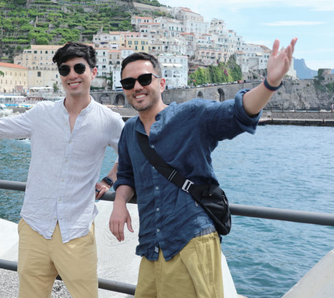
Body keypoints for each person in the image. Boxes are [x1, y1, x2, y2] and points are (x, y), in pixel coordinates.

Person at [0, 42, 125, 298]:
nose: (72, 75)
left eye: (79, 67)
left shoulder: (109, 120)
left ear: (94, 72)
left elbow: (131, 156)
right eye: (65, 70)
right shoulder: (42, 113)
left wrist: (110, 180)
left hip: (76, 230)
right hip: (34, 226)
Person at [109, 38, 297, 297]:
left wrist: (270, 83)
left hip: (191, 239)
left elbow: (238, 113)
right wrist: (119, 203)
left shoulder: (192, 115)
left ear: (161, 83)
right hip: (152, 245)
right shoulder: (130, 130)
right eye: (128, 83)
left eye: (144, 79)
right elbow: (127, 174)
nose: (137, 87)